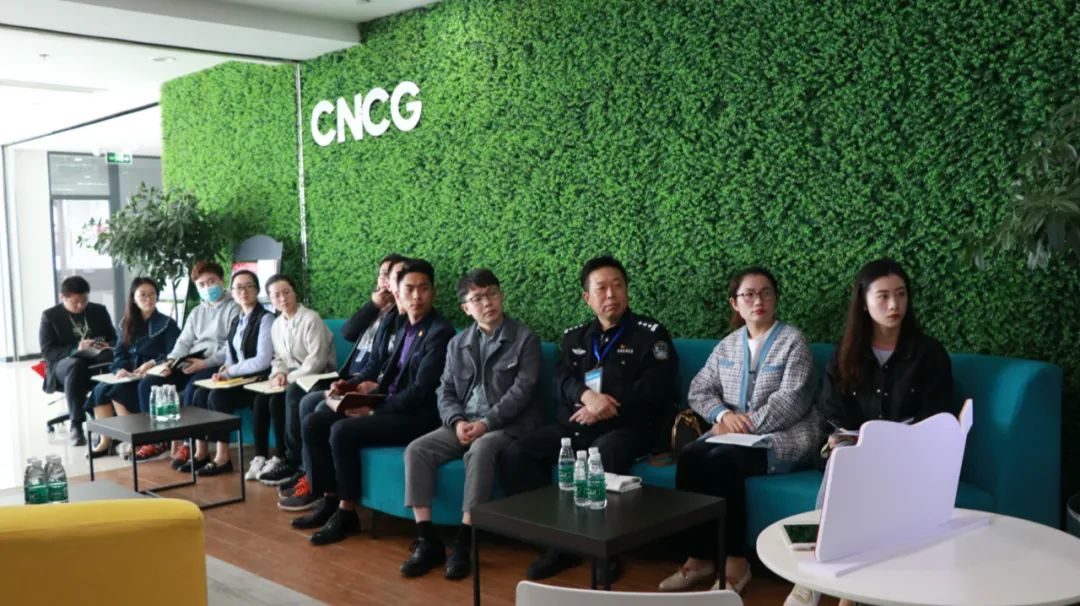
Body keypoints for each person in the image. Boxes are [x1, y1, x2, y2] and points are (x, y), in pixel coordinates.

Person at [784, 258, 954, 606]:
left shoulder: (927, 353)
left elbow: (937, 414)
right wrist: (852, 437)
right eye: (883, 296)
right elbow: (832, 409)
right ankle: (816, 579)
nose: (894, 305)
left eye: (901, 294)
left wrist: (891, 439)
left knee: (861, 471)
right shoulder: (846, 352)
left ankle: (841, 588)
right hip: (856, 447)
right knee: (845, 463)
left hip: (909, 451)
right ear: (863, 302)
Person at [498, 256, 678, 581]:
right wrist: (586, 396)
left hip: (630, 426)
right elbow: (559, 379)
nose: (611, 294)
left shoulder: (650, 334)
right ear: (587, 297)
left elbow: (657, 386)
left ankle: (604, 551)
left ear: (627, 290)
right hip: (578, 422)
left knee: (604, 453)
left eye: (617, 285)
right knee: (517, 453)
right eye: (602, 288)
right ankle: (555, 545)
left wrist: (605, 405)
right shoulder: (575, 337)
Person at [659, 267, 820, 595]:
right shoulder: (728, 346)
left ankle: (736, 561)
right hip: (730, 433)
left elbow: (791, 401)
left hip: (782, 438)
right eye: (749, 294)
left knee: (722, 460)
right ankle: (699, 558)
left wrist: (742, 425)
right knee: (690, 456)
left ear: (775, 298)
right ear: (735, 303)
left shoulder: (794, 342)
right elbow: (699, 389)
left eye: (765, 293)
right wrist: (722, 415)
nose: (758, 300)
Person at [292, 259, 454, 546]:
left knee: (342, 431)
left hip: (417, 416)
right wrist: (353, 388)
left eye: (424, 288)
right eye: (409, 289)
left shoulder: (440, 333)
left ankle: (347, 513)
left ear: (434, 292)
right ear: (398, 292)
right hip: (390, 404)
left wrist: (373, 409)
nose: (416, 296)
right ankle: (329, 499)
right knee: (315, 421)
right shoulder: (404, 326)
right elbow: (390, 373)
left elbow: (420, 392)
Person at [400, 269, 542, 579]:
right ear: (466, 308)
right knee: (416, 450)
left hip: (506, 426)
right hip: (464, 423)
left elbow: (522, 391)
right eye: (477, 298)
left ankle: (464, 543)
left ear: (501, 295)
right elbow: (445, 390)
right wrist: (457, 421)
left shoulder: (524, 339)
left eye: (492, 294)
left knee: (480, 450)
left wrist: (486, 424)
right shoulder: (457, 343)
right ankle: (427, 541)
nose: (487, 303)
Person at [277, 254, 405, 510]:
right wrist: (373, 305)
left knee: (315, 405)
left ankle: (317, 483)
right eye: (382, 274)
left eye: (392, 276)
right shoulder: (377, 310)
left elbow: (382, 366)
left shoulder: (400, 316)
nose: (385, 281)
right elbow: (348, 332)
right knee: (296, 395)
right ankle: (306, 470)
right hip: (348, 376)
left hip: (366, 383)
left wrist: (357, 385)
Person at [136, 260, 240, 462]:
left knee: (192, 389)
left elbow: (231, 347)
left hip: (214, 363)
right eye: (202, 284)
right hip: (190, 360)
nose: (207, 287)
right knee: (148, 383)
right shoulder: (197, 312)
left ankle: (188, 444)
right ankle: (157, 440)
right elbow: (183, 342)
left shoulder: (234, 308)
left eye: (211, 281)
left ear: (222, 280)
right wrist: (170, 363)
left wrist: (205, 364)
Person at [243, 274, 336, 480]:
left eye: (287, 292)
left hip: (319, 377)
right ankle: (262, 456)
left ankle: (289, 459)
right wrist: (278, 374)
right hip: (293, 379)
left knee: (282, 397)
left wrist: (289, 377)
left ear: (295, 293)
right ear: (270, 299)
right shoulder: (277, 324)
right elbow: (278, 358)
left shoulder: (311, 318)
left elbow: (317, 360)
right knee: (261, 399)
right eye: (276, 295)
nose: (283, 298)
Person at [182, 270, 274, 475]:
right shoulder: (237, 320)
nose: (243, 291)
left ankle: (222, 458)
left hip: (258, 381)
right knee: (199, 393)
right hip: (239, 379)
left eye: (249, 286)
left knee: (218, 396)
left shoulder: (265, 319)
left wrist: (231, 370)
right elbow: (232, 356)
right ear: (232, 292)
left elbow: (262, 360)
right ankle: (200, 453)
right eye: (238, 287)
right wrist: (224, 373)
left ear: (257, 290)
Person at [86, 277, 180, 457]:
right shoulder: (126, 323)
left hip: (154, 371)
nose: (148, 299)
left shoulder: (167, 323)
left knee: (118, 391)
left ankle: (135, 439)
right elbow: (119, 353)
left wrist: (152, 363)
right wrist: (120, 369)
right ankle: (106, 440)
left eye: (152, 294)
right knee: (99, 390)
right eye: (142, 295)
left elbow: (173, 352)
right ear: (133, 298)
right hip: (131, 372)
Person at [38, 276, 118, 446]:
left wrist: (107, 344)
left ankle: (111, 420)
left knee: (114, 359)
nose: (81, 306)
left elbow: (114, 339)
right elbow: (48, 351)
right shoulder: (50, 316)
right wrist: (76, 349)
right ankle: (77, 424)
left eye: (84, 301)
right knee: (75, 365)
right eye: (75, 302)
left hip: (95, 359)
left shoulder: (98, 311)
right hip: (63, 365)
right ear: (63, 297)